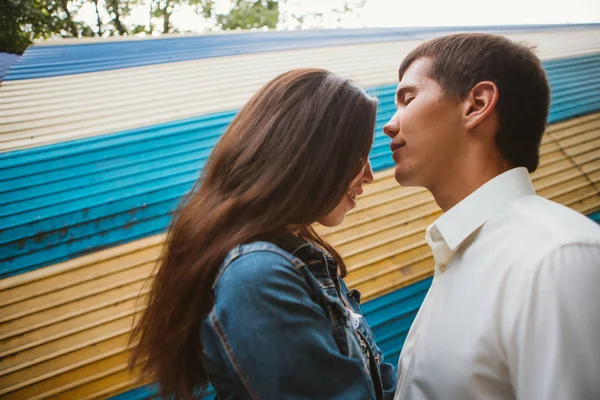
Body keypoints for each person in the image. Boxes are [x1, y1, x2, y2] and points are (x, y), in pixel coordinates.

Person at [129, 68, 397, 400]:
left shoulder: (303, 260)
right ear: (312, 155)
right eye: (358, 156)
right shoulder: (259, 275)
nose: (369, 174)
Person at [383, 33, 600, 400]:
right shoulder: (459, 254)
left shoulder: (556, 257)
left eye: (408, 99)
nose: (390, 124)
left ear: (477, 104)